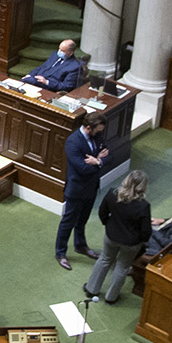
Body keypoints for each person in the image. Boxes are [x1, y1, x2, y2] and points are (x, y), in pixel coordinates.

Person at [85, 170, 151, 304]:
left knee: (104, 259)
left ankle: (92, 289)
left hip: (111, 236)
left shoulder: (112, 194)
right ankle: (111, 297)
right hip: (131, 243)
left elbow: (102, 212)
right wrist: (142, 240)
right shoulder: (144, 206)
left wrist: (108, 224)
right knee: (122, 267)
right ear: (142, 187)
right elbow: (145, 230)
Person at [57, 113, 108, 269]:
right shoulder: (73, 142)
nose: (99, 133)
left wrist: (98, 161)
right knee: (68, 221)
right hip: (77, 189)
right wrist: (98, 163)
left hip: (91, 188)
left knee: (83, 220)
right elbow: (83, 168)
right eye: (97, 130)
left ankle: (80, 245)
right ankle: (60, 252)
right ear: (88, 127)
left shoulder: (97, 136)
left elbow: (108, 154)